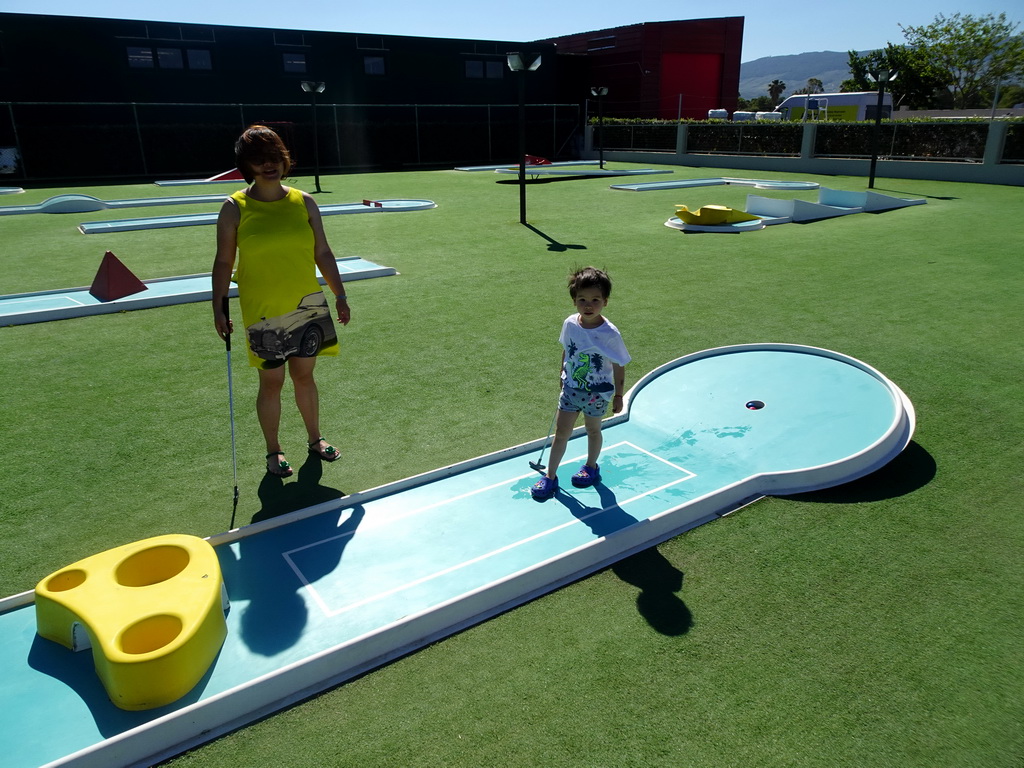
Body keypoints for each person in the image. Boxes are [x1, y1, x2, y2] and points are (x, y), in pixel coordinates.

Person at [212, 124, 351, 478]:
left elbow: (322, 250)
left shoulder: (304, 201)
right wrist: (218, 306)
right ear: (248, 166)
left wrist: (340, 294)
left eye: (274, 158)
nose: (268, 166)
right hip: (262, 312)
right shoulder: (234, 207)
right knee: (271, 383)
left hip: (307, 305)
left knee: (305, 377)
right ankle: (274, 451)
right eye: (259, 160)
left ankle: (315, 439)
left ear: (284, 160)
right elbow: (224, 262)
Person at [531, 266, 630, 500]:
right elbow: (567, 350)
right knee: (561, 432)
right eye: (582, 300)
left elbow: (619, 364)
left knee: (593, 430)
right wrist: (561, 375)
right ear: (574, 301)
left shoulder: (610, 334)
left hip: (597, 394)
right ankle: (550, 477)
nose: (588, 305)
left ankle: (591, 467)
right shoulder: (570, 324)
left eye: (595, 300)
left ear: (605, 301)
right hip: (571, 390)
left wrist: (618, 395)